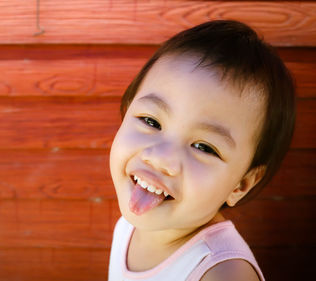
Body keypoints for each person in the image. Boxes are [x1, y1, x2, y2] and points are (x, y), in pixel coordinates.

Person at [108, 20, 295, 281]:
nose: (161, 158)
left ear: (240, 184)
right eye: (151, 121)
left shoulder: (221, 274)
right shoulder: (128, 225)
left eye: (203, 147)